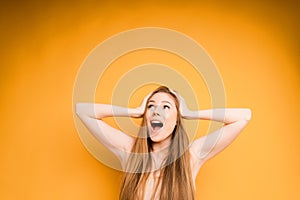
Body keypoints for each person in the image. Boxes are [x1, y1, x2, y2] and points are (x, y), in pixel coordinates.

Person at [75, 86, 252, 200]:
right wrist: (134, 110)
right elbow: (82, 111)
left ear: (177, 119)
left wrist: (190, 113)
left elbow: (243, 117)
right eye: (151, 106)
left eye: (166, 107)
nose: (156, 112)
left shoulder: (192, 156)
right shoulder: (130, 152)